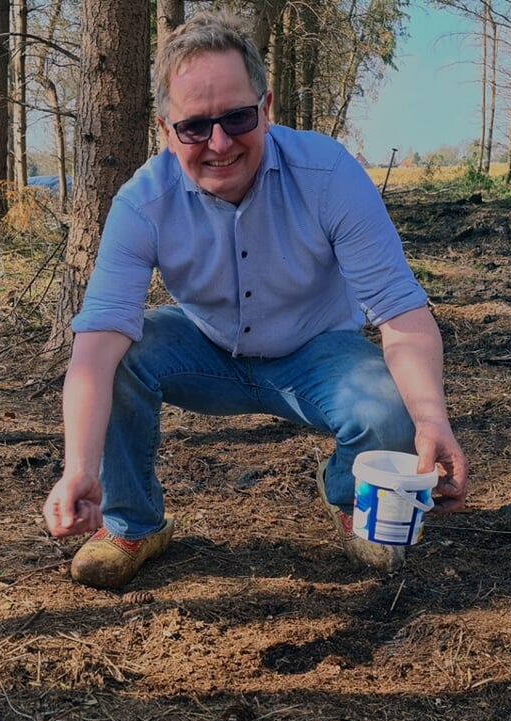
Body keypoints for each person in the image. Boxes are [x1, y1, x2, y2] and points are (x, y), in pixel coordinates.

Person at [41, 10, 468, 589]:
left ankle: (347, 496)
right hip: (206, 350)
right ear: (166, 132)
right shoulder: (142, 203)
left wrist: (431, 417)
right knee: (121, 357)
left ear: (266, 109)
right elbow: (94, 347)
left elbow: (398, 308)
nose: (219, 144)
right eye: (194, 127)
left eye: (237, 117)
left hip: (319, 354)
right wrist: (79, 469)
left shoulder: (328, 174)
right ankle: (131, 522)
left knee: (391, 409)